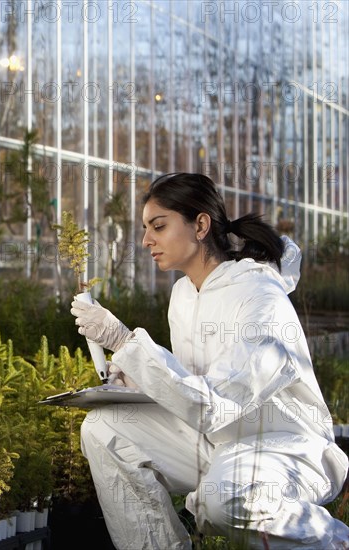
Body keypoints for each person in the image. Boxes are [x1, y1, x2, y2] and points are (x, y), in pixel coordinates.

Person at [71, 173, 349, 549]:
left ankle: (335, 542)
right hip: (216, 442)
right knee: (105, 429)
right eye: (144, 228)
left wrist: (126, 342)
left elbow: (216, 403)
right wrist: (138, 376)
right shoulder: (183, 294)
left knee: (225, 499)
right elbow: (193, 385)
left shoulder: (259, 297)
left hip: (283, 446)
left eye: (159, 225)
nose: (145, 240)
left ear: (200, 225)